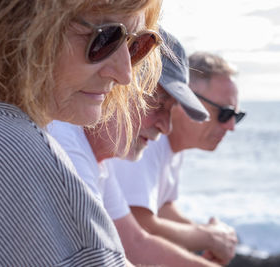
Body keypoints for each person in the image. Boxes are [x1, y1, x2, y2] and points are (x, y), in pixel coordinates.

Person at [0, 0, 162, 266]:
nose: (125, 74)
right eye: (105, 38)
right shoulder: (21, 160)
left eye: (136, 45)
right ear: (20, 28)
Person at [48, 29, 227, 267]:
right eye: (157, 105)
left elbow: (135, 242)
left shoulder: (97, 158)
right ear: (117, 83)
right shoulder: (64, 142)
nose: (166, 127)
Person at [112, 51, 245, 266]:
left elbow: (162, 208)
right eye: (225, 113)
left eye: (237, 116)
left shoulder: (170, 147)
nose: (231, 126)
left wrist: (208, 237)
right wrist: (207, 238)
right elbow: (137, 225)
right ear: (184, 99)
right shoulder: (147, 140)